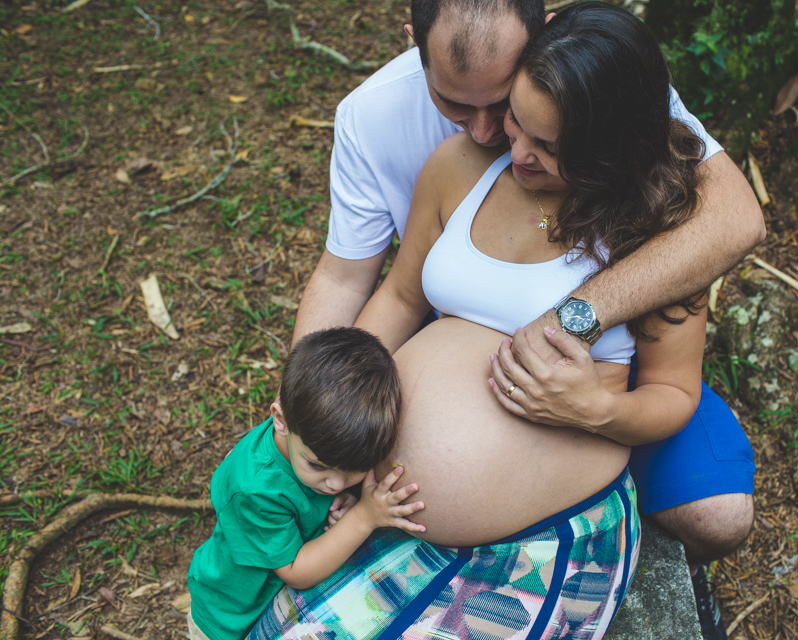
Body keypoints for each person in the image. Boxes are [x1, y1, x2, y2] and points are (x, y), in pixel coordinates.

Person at [250, 5, 748, 640]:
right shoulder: (457, 164)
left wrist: (596, 409)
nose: (514, 149)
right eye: (518, 122)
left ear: (611, 147)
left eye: (551, 146)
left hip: (537, 540)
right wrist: (330, 408)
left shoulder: (661, 237)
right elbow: (397, 295)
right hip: (382, 504)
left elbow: (672, 391)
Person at [187, 328, 426, 640]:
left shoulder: (310, 437)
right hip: (228, 619)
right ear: (281, 420)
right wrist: (363, 517)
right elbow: (296, 571)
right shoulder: (257, 490)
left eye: (355, 469)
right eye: (318, 466)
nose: (335, 484)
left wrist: (351, 497)